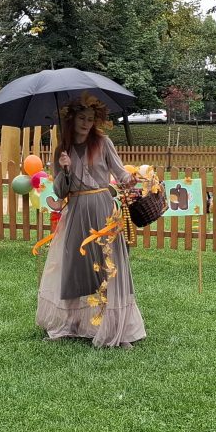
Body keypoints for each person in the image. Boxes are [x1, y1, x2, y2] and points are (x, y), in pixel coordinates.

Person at [35, 94, 145, 348]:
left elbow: (120, 173)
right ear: (72, 119)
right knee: (76, 267)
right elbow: (60, 192)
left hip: (103, 209)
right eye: (82, 118)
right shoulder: (62, 150)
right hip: (76, 211)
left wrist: (131, 180)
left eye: (90, 119)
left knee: (108, 265)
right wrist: (64, 169)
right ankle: (74, 323)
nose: (86, 123)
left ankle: (116, 329)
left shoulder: (103, 143)